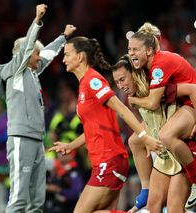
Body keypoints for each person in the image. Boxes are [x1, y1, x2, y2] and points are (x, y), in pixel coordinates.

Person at [48, 36, 163, 213]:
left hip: (109, 160)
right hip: (103, 161)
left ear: (80, 57)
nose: (63, 59)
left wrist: (144, 137)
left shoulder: (93, 81)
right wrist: (71, 145)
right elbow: (93, 128)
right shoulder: (83, 86)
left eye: (67, 54)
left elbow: (122, 110)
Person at [0, 4, 76, 212]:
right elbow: (29, 47)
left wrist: (63, 37)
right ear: (25, 54)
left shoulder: (32, 73)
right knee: (19, 198)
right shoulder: (15, 72)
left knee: (36, 200)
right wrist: (37, 20)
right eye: (34, 54)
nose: (39, 57)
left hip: (37, 139)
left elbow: (46, 54)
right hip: (21, 138)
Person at [127, 22, 196, 209]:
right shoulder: (151, 70)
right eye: (129, 49)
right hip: (184, 107)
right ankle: (145, 189)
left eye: (135, 49)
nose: (131, 53)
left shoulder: (160, 65)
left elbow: (153, 102)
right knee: (135, 140)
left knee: (165, 135)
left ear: (149, 50)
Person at [112, 54, 196, 213]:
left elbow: (194, 89)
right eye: (116, 82)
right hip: (165, 157)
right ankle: (145, 191)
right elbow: (150, 123)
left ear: (135, 74)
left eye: (122, 79)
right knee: (153, 206)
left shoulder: (158, 88)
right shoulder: (136, 95)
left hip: (182, 154)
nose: (120, 85)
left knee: (174, 209)